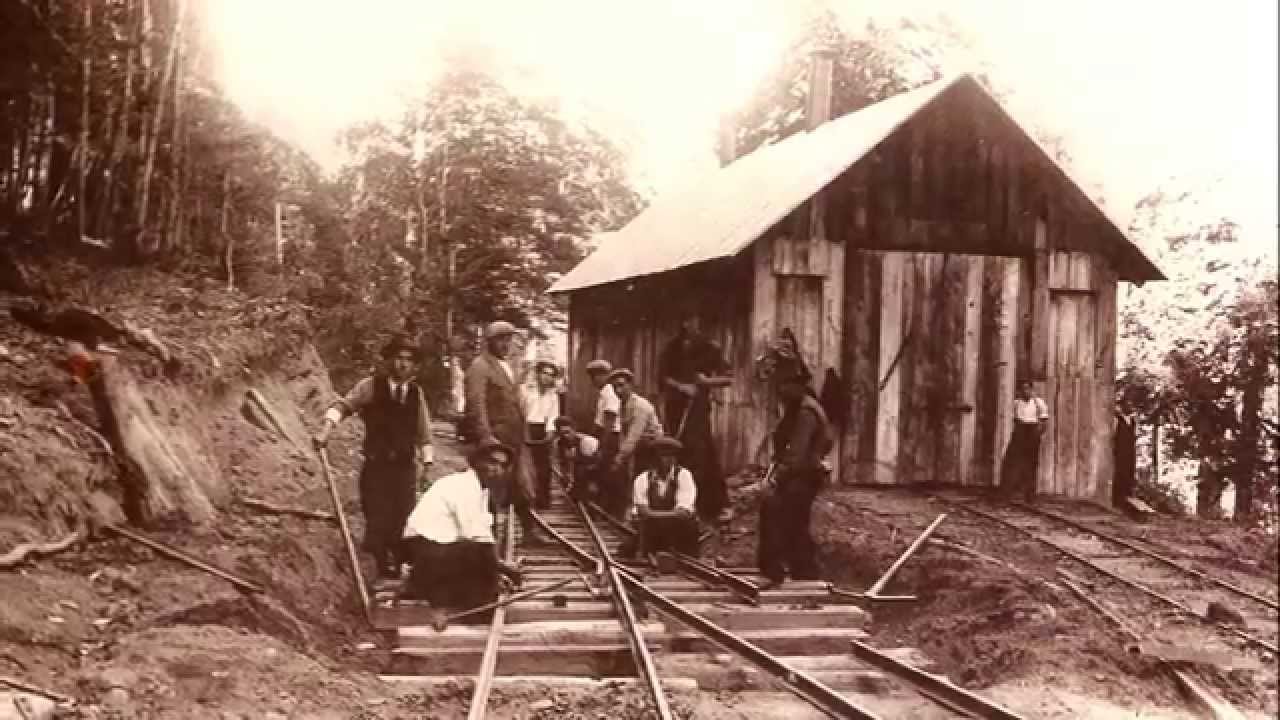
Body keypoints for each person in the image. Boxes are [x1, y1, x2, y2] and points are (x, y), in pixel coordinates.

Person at [313, 334, 433, 582]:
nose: (402, 364)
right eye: (398, 358)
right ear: (389, 360)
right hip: (377, 467)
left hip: (404, 468)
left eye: (408, 360)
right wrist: (325, 430)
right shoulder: (370, 386)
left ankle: (400, 568)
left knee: (403, 516)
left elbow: (424, 433)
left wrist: (428, 465)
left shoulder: (415, 394)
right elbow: (342, 406)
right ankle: (379, 566)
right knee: (378, 515)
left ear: (414, 366)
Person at [400, 439, 524, 619]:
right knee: (478, 553)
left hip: (439, 548)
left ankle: (431, 586)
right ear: (478, 462)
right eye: (492, 462)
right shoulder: (464, 486)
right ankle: (428, 587)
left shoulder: (481, 491)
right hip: (424, 548)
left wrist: (498, 568)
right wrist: (504, 569)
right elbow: (477, 536)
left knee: (482, 559)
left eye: (502, 465)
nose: (496, 469)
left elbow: (483, 533)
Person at [465, 321, 545, 545]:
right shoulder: (480, 367)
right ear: (489, 342)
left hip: (514, 439)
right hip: (496, 440)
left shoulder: (505, 366)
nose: (506, 344)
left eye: (508, 339)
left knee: (521, 485)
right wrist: (485, 437)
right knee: (491, 489)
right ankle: (486, 537)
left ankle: (529, 531)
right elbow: (476, 404)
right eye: (501, 339)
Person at [758, 369, 833, 588]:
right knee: (792, 520)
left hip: (803, 475)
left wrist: (777, 476)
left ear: (797, 386)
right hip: (797, 473)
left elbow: (797, 452)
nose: (780, 391)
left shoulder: (806, 412)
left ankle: (791, 570)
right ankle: (798, 570)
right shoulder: (796, 407)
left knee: (785, 517)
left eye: (784, 386)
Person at [659, 318, 733, 524]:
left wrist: (706, 382)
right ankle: (674, 502)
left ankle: (707, 507)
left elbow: (728, 377)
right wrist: (682, 387)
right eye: (687, 321)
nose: (691, 325)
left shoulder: (710, 348)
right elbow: (663, 377)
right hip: (675, 408)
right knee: (675, 448)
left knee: (700, 453)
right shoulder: (671, 348)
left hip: (697, 410)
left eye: (695, 321)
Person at [619, 436, 698, 560]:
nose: (667, 460)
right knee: (630, 544)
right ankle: (649, 553)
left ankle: (686, 557)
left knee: (689, 526)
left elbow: (683, 513)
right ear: (655, 458)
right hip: (652, 530)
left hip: (677, 530)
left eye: (671, 456)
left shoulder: (684, 475)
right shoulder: (642, 479)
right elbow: (642, 512)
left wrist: (651, 514)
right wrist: (668, 514)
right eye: (663, 456)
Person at [608, 368, 664, 517]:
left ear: (630, 385)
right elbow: (624, 434)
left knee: (643, 478)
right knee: (629, 476)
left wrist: (620, 457)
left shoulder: (640, 406)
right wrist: (620, 454)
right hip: (639, 446)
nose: (618, 390)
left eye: (621, 385)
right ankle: (631, 509)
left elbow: (634, 434)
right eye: (615, 387)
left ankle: (644, 511)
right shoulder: (624, 404)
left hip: (653, 447)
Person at [999, 379, 1049, 503]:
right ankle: (1006, 493)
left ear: (1032, 390)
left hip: (1032, 432)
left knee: (1031, 464)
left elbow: (1044, 422)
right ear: (1019, 391)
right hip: (1020, 431)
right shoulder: (1016, 403)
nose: (1025, 392)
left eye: (1028, 389)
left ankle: (1030, 495)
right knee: (1011, 462)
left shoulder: (1039, 403)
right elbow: (1014, 419)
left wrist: (1037, 434)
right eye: (1023, 389)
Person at [522, 359, 562, 510]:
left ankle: (543, 499)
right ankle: (526, 498)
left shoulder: (553, 396)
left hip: (543, 429)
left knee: (544, 466)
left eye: (551, 375)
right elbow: (521, 412)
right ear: (538, 374)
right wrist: (524, 433)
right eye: (545, 373)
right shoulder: (526, 390)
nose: (548, 377)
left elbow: (553, 416)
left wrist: (550, 433)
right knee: (526, 465)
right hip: (527, 427)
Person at [550, 416, 601, 502]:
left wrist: (593, 483)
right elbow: (560, 463)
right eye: (562, 433)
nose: (566, 436)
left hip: (592, 470)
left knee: (582, 470)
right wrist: (565, 476)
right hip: (577, 472)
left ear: (574, 430)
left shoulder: (586, 442)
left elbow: (596, 464)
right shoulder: (558, 444)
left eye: (567, 432)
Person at [1112, 399, 1138, 508]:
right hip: (1120, 451)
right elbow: (1113, 436)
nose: (1130, 407)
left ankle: (1127, 499)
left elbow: (1134, 437)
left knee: (1129, 473)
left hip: (1130, 452)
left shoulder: (1133, 422)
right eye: (1127, 405)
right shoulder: (1116, 420)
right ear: (1122, 407)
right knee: (1119, 474)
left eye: (1131, 405)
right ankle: (1117, 500)